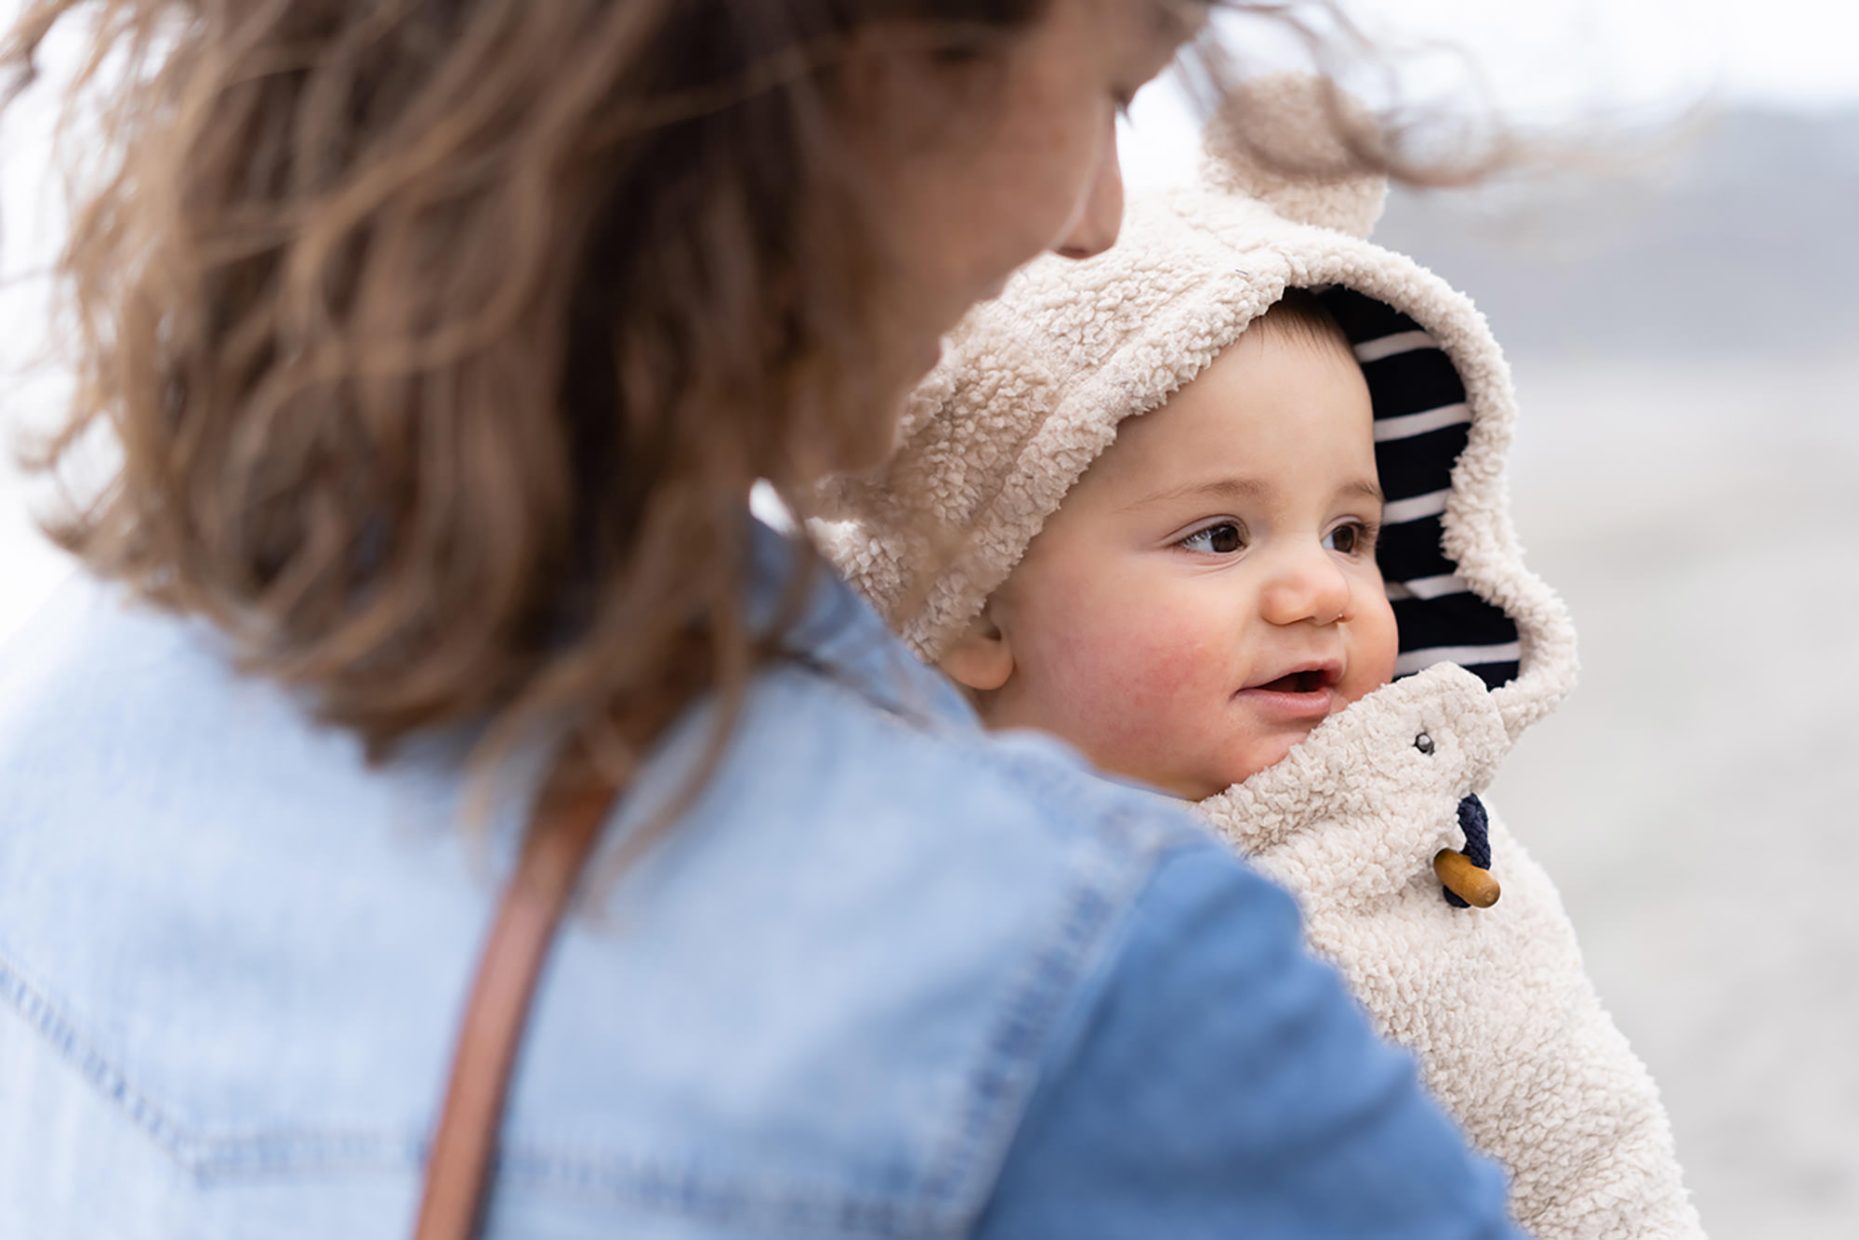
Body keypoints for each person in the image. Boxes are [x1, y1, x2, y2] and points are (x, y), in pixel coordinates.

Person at [0, 2, 1525, 1236]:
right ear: (836, 76)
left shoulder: (98, 702)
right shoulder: (1075, 973)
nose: (1093, 214)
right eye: (1109, 87)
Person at [820, 77, 1703, 1237]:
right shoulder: (885, 892)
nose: (1318, 589)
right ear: (981, 611)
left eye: (1350, 533)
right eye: (1218, 536)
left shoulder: (1418, 878)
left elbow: (1589, 1164)